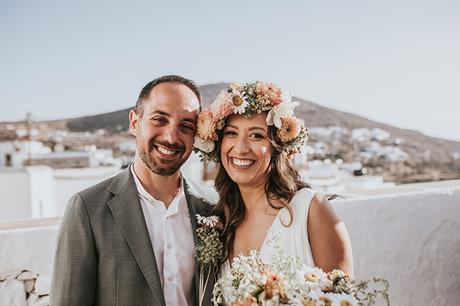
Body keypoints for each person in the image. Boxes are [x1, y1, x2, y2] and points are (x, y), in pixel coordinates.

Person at [50, 75, 216, 306]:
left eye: (186, 126)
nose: (171, 137)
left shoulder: (211, 207)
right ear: (135, 122)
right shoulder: (87, 209)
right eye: (159, 119)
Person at [193, 81, 353, 277]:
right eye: (231, 133)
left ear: (277, 146)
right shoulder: (220, 221)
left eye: (256, 136)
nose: (241, 148)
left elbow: (343, 298)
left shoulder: (310, 209)